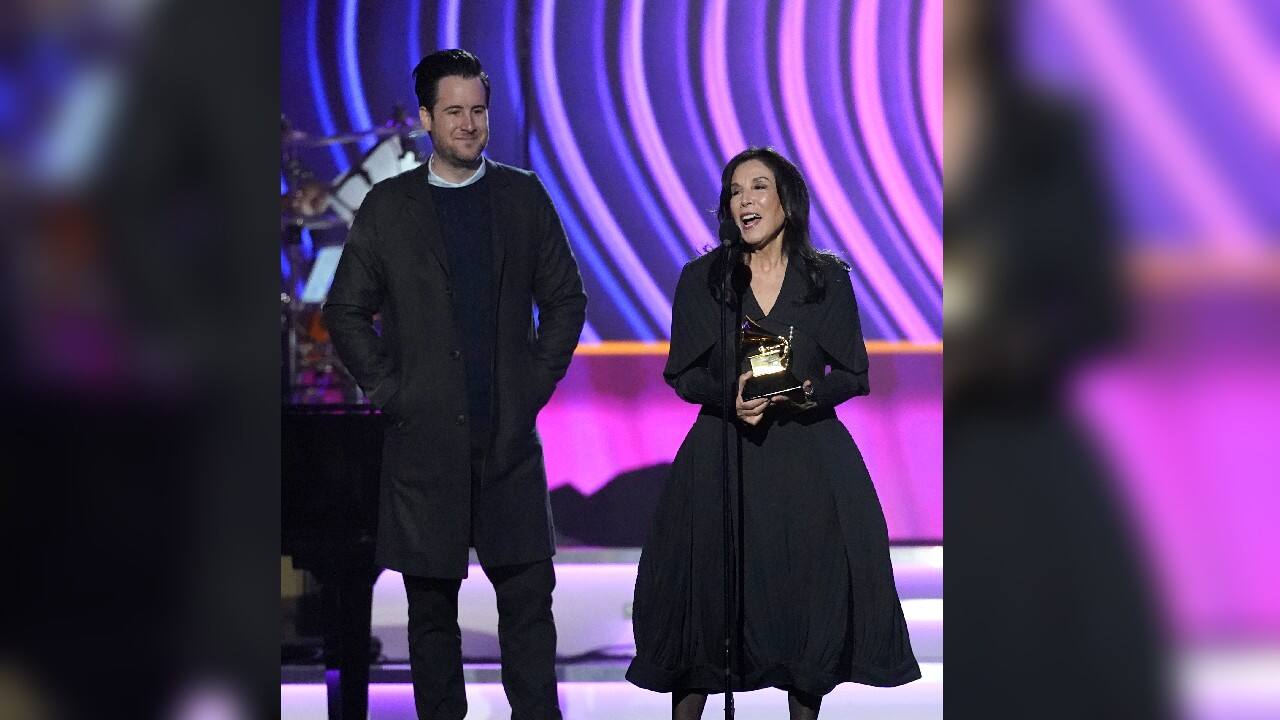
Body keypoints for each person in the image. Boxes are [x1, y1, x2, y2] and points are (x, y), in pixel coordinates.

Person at [323, 49, 586, 720]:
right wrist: (392, 390)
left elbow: (565, 299)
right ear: (424, 120)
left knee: (529, 607)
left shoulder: (521, 195)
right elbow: (345, 312)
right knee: (431, 616)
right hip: (424, 443)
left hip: (508, 445)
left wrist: (532, 384)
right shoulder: (389, 207)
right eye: (453, 113)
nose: (468, 125)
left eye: (478, 111)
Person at [627, 147, 920, 719]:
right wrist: (728, 397)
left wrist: (804, 394)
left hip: (805, 460)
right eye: (735, 191)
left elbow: (856, 375)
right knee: (707, 608)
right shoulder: (706, 279)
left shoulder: (825, 280)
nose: (745, 201)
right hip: (721, 458)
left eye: (758, 188)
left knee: (805, 610)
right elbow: (682, 374)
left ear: (786, 199)